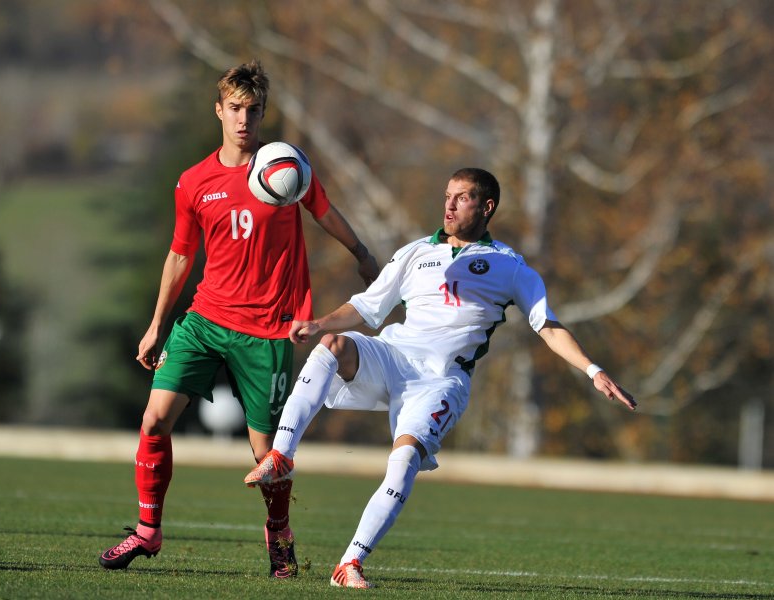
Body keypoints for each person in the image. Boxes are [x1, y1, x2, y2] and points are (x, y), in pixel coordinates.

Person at [244, 167, 637, 588]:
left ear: (486, 207)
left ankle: (350, 563)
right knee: (334, 345)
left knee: (405, 460)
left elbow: (548, 326)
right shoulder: (415, 252)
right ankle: (281, 455)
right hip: (393, 355)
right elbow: (366, 307)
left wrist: (593, 370)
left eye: (462, 197)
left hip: (441, 381)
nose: (448, 204)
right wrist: (321, 324)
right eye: (447, 195)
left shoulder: (510, 266)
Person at [98, 60, 379, 577]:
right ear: (219, 111)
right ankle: (147, 530)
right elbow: (180, 255)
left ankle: (279, 537)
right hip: (205, 319)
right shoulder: (193, 182)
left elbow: (324, 210)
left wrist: (362, 254)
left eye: (253, 110)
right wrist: (158, 323)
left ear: (264, 113)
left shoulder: (287, 166)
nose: (244, 119)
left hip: (267, 330)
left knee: (267, 455)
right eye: (235, 109)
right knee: (154, 419)